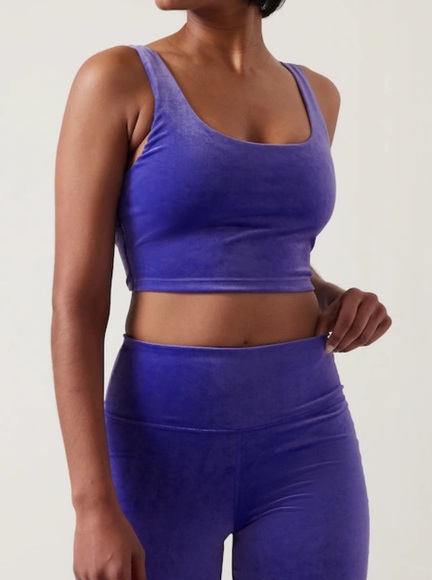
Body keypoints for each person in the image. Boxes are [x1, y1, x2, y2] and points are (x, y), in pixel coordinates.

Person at [51, 1, 392, 578]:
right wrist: (91, 506)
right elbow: (76, 305)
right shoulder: (117, 80)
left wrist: (332, 296)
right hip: (161, 443)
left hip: (308, 437)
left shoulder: (318, 95)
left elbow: (262, 249)